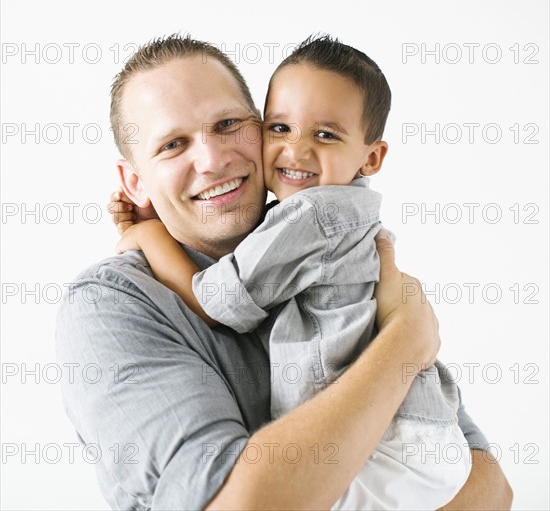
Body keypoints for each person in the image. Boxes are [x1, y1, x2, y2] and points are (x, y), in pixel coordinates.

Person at [56, 34, 512, 510]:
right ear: (134, 182)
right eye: (173, 144)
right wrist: (405, 342)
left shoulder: (324, 250)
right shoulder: (109, 304)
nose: (212, 160)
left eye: (228, 123)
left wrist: (150, 236)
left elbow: (490, 490)